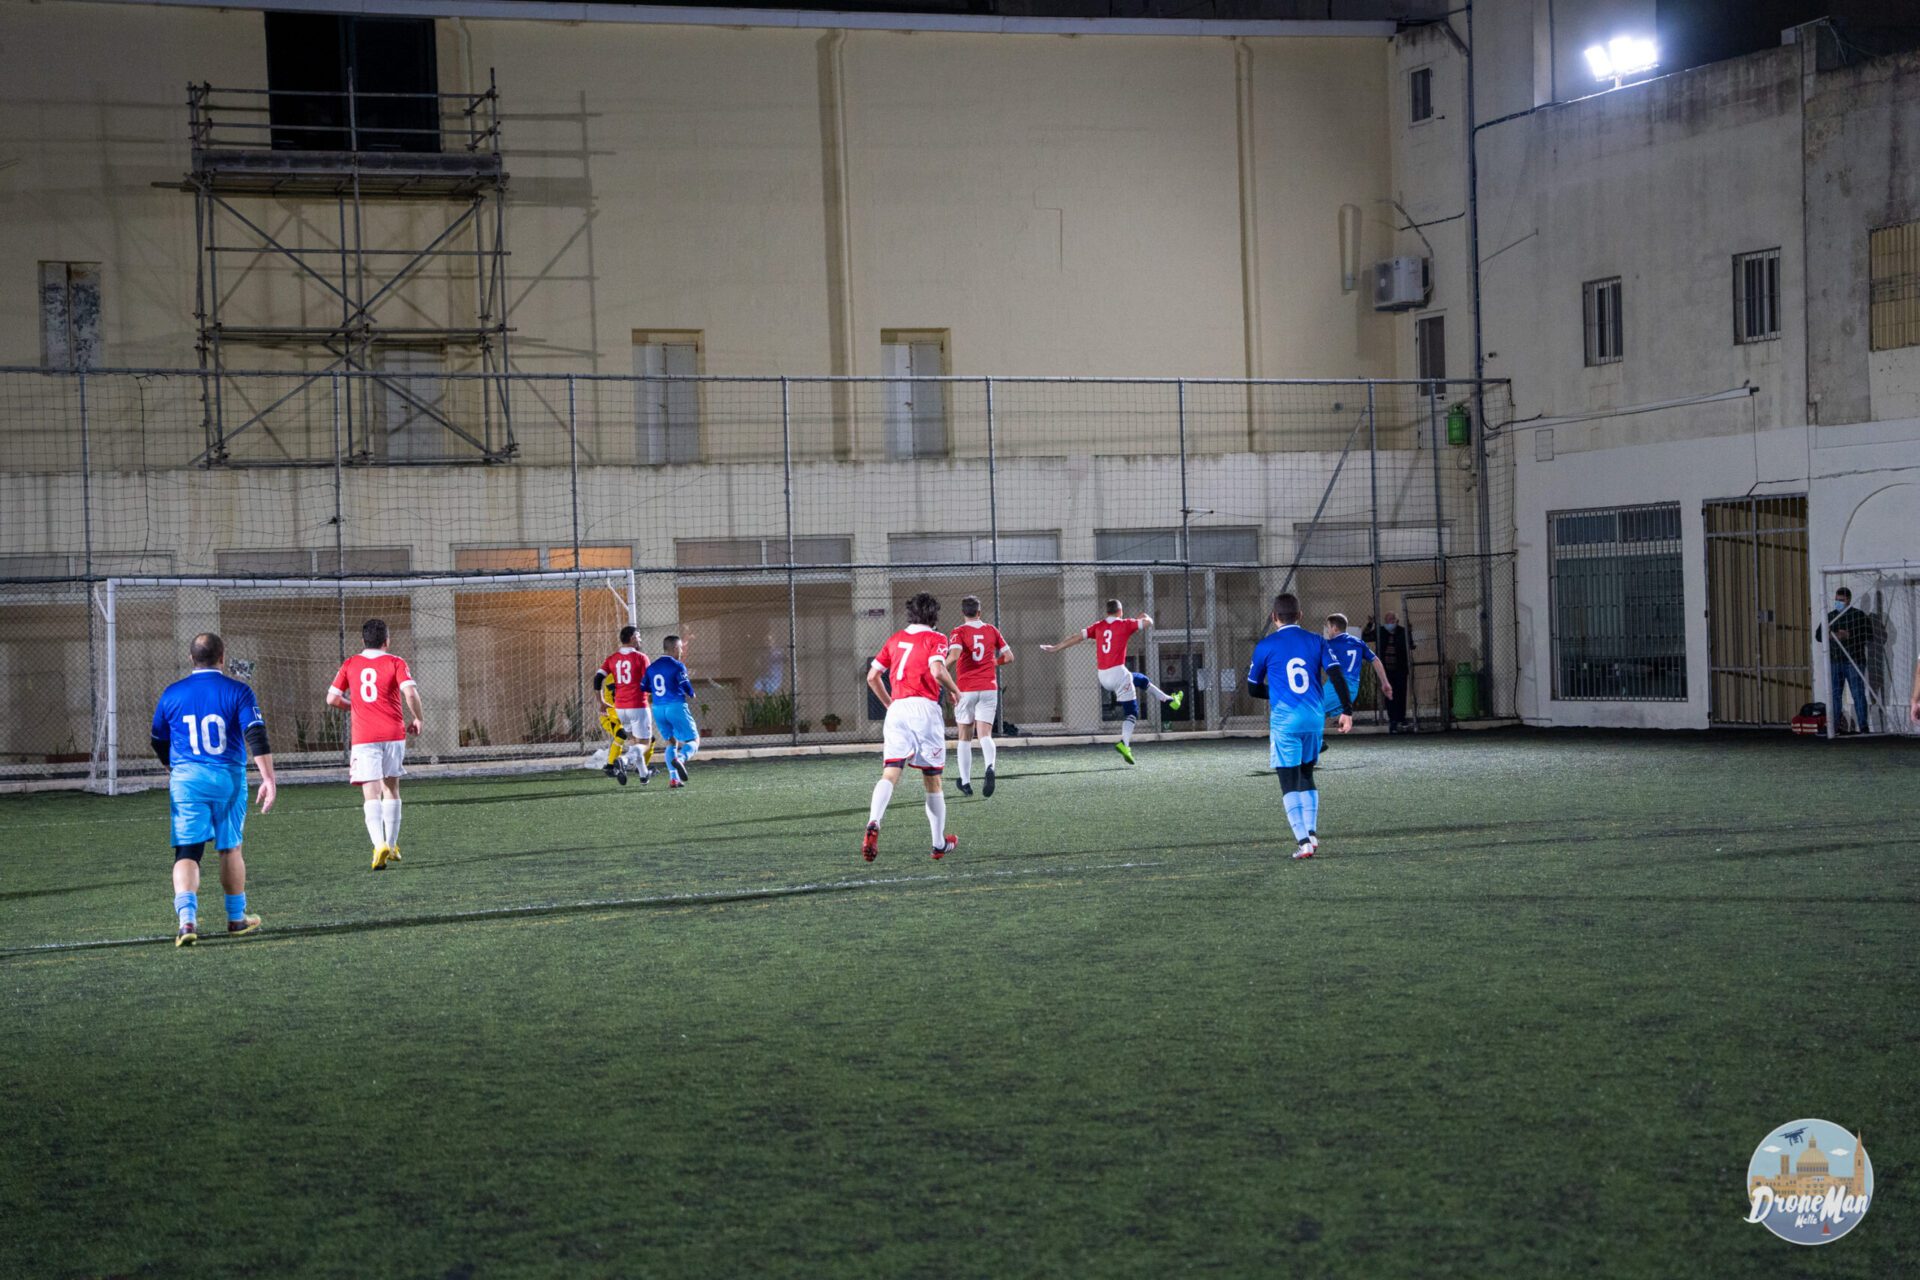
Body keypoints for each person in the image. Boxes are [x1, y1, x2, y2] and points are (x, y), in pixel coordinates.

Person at [152, 632, 277, 946]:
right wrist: (268, 779)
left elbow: (158, 739)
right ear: (222, 658)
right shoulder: (239, 691)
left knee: (187, 850)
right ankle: (236, 918)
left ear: (191, 658)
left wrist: (171, 767)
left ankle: (186, 921)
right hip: (227, 779)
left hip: (186, 781)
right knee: (229, 848)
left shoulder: (172, 693)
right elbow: (256, 735)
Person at [1248, 593, 1353, 860]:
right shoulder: (1317, 641)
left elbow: (1253, 688)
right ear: (1300, 615)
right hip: (1314, 719)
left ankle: (1303, 842)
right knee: (1307, 774)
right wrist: (1347, 711)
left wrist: (1278, 692)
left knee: (1288, 781)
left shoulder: (1265, 645)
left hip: (1287, 721)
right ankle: (1312, 834)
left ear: (1274, 617)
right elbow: (1336, 675)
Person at [864, 591, 964, 862]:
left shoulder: (896, 638)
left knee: (890, 773)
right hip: (924, 711)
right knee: (932, 779)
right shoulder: (936, 638)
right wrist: (955, 691)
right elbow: (938, 670)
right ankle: (938, 844)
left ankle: (874, 821)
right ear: (934, 615)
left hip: (897, 710)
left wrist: (890, 704)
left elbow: (872, 676)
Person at [326, 618, 423, 871]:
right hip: (393, 734)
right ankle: (391, 845)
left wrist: (354, 706)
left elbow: (332, 698)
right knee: (392, 788)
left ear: (363, 641)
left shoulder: (350, 663)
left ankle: (379, 845)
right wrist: (418, 718)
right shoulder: (396, 662)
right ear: (386, 641)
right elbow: (410, 693)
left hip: (364, 737)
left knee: (371, 792)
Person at [1038, 599, 1184, 764]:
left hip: (1103, 676)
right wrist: (1144, 616)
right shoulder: (1125, 624)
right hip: (1118, 673)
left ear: (1106, 612)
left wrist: (1056, 647)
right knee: (1132, 713)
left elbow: (1076, 637)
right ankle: (1124, 744)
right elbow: (1148, 622)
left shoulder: (1098, 626)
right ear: (1120, 612)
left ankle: (1169, 700)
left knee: (1140, 679)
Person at [947, 594, 1012, 798]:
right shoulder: (991, 630)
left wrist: (939, 668)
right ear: (979, 612)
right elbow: (1009, 657)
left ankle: (966, 783)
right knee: (985, 735)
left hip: (966, 689)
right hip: (989, 688)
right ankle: (990, 767)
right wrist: (994, 662)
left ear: (963, 612)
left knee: (964, 737)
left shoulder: (958, 631)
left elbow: (954, 656)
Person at [593, 625, 652, 784]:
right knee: (645, 743)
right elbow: (649, 682)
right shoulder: (641, 657)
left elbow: (597, 679)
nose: (640, 639)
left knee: (634, 741)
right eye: (638, 636)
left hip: (620, 708)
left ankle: (643, 775)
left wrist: (601, 702)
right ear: (632, 638)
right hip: (638, 705)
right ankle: (625, 760)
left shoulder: (612, 658)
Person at [648, 634, 700, 788]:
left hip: (658, 708)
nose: (682, 651)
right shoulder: (678, 665)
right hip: (675, 706)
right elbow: (685, 684)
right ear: (675, 648)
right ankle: (681, 758)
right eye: (681, 648)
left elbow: (645, 687)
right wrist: (691, 693)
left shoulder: (652, 667)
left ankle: (674, 779)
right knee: (694, 740)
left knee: (671, 741)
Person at [1323, 613, 1391, 728]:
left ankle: (1308, 737)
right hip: (1353, 689)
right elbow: (1376, 660)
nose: (1327, 631)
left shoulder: (1329, 644)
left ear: (1334, 628)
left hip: (1337, 687)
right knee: (1319, 714)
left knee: (1309, 709)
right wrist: (1385, 682)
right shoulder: (1358, 642)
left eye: (1328, 627)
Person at [1821, 586, 1873, 734]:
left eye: (1841, 600)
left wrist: (1848, 635)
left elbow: (1869, 635)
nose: (1838, 603)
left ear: (1848, 600)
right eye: (1836, 600)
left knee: (1858, 693)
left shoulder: (1858, 615)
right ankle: (1834, 726)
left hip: (1854, 661)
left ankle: (1863, 726)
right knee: (1835, 695)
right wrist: (1832, 635)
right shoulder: (1831, 616)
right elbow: (1819, 635)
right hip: (1835, 661)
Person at [1364, 611, 1414, 732]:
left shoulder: (1402, 631)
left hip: (1400, 668)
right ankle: (1393, 720)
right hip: (1385, 670)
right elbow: (1365, 637)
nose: (1389, 622)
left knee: (1400, 693)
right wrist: (1370, 624)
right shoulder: (1381, 631)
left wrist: (1409, 631)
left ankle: (1401, 718)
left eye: (1392, 619)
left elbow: (1411, 645)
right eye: (1387, 620)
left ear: (1397, 621)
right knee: (1389, 695)